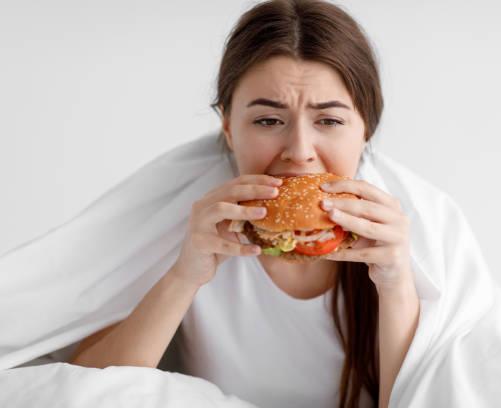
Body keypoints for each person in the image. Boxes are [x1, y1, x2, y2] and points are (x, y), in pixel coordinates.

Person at [68, 1, 418, 407]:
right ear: (228, 127)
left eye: (329, 121)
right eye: (268, 120)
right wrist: (185, 275)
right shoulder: (182, 217)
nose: (300, 152)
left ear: (366, 130)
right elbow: (81, 388)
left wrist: (396, 285)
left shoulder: (415, 229)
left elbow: (427, 397)